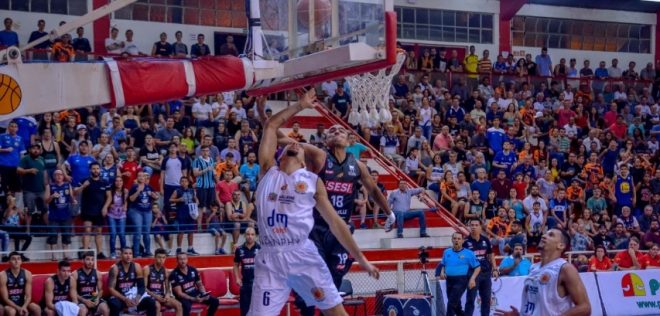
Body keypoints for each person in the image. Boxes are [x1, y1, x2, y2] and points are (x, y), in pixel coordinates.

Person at [248, 91, 379, 316]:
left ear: (303, 162)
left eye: (299, 146)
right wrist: (300, 105)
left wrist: (361, 259)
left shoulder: (312, 181)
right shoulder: (268, 171)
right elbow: (270, 127)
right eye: (293, 145)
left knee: (336, 313)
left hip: (302, 254)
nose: (296, 145)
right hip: (269, 257)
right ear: (280, 156)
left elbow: (336, 223)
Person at [495, 229, 591, 316]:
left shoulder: (565, 269)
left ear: (561, 245)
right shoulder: (533, 267)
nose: (544, 236)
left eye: (551, 235)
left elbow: (585, 307)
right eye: (545, 233)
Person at [439, 233, 481, 316]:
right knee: (456, 306)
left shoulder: (468, 253)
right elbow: (443, 264)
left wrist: (472, 279)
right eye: (454, 238)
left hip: (461, 280)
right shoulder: (447, 252)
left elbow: (477, 267)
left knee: (451, 303)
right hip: (449, 280)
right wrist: (442, 272)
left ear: (462, 240)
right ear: (452, 240)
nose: (456, 240)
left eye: (458, 239)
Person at [107, 248, 158, 316]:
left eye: (130, 254)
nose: (128, 256)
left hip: (132, 296)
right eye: (126, 253)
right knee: (114, 304)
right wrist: (125, 299)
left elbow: (141, 286)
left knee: (151, 302)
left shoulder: (137, 267)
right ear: (121, 255)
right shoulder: (115, 268)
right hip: (120, 297)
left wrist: (137, 298)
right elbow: (111, 289)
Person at [463, 219, 498, 316]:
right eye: (472, 225)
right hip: (472, 275)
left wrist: (495, 269)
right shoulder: (465, 242)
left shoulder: (485, 240)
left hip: (486, 274)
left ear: (480, 227)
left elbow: (491, 255)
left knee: (486, 300)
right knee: (470, 300)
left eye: (476, 225)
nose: (473, 227)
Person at [77, 162, 110, 259]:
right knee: (87, 230)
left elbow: (109, 197)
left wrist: (105, 207)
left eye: (97, 168)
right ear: (90, 170)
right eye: (94, 169)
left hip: (100, 211)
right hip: (87, 210)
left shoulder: (104, 182)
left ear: (100, 170)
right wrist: (83, 186)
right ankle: (85, 253)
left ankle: (99, 253)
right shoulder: (85, 180)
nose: (96, 170)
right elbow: (75, 192)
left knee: (98, 231)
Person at [45, 169, 76, 261]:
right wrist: (52, 196)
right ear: (54, 177)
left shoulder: (67, 185)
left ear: (63, 176)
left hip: (65, 215)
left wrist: (73, 201)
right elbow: (46, 200)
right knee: (53, 235)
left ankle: (66, 255)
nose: (59, 176)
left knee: (66, 235)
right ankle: (53, 256)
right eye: (57, 174)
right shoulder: (50, 186)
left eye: (61, 174)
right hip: (54, 215)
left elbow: (71, 198)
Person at [128, 171, 160, 257]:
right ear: (137, 178)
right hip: (136, 211)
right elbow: (131, 199)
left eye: (143, 176)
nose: (141, 178)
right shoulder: (134, 187)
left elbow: (157, 197)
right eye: (139, 176)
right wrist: (138, 191)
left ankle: (147, 251)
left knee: (147, 233)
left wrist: (154, 195)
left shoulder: (149, 187)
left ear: (145, 178)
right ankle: (136, 253)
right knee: (138, 232)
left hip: (147, 211)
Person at [143, 249, 183, 316]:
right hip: (149, 297)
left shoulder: (165, 270)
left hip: (161, 296)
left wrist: (167, 294)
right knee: (157, 306)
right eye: (159, 257)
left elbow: (167, 287)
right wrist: (156, 296)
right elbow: (144, 288)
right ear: (155, 257)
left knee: (179, 305)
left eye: (163, 257)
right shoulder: (147, 269)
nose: (161, 260)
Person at [71, 252, 110, 316]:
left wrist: (96, 299)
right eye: (88, 259)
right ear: (83, 261)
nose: (90, 262)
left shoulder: (98, 273)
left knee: (105, 309)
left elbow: (100, 290)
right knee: (82, 310)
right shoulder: (75, 274)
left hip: (93, 298)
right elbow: (73, 292)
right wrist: (84, 301)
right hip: (81, 299)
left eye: (92, 260)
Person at [233, 227, 260, 316]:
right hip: (245, 284)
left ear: (255, 236)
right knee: (245, 311)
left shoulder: (260, 249)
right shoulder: (239, 249)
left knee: (258, 310)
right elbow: (236, 265)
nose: (250, 236)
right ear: (244, 235)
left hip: (258, 284)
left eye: (252, 234)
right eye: (248, 234)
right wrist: (237, 278)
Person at [170, 176, 200, 255]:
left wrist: (197, 201)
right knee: (181, 231)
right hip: (181, 212)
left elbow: (195, 199)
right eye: (182, 181)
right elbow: (170, 200)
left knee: (191, 231)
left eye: (185, 181)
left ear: (188, 182)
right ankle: (179, 248)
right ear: (180, 183)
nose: (184, 183)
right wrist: (178, 200)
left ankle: (190, 248)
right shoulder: (177, 190)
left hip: (191, 212)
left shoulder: (192, 190)